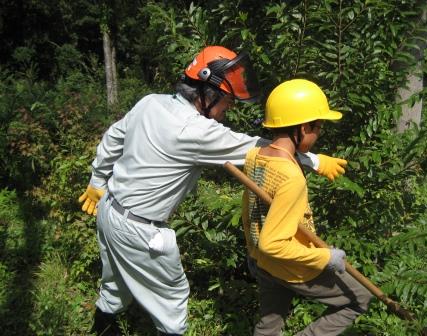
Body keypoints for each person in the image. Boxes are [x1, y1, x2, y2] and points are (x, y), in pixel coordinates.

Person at [77, 47, 348, 336]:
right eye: (227, 101)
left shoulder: (150, 103)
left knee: (115, 281)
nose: (228, 109)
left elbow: (113, 137)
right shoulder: (194, 131)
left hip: (109, 212)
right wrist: (315, 160)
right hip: (142, 231)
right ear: (207, 93)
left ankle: (103, 327)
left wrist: (97, 182)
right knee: (172, 302)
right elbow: (266, 150)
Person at [242, 79, 372, 336]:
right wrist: (326, 257)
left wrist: (253, 250)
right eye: (318, 127)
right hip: (291, 265)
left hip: (262, 261)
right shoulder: (291, 177)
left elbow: (251, 214)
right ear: (303, 128)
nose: (319, 134)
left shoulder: (255, 155)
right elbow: (275, 243)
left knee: (269, 323)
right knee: (360, 298)